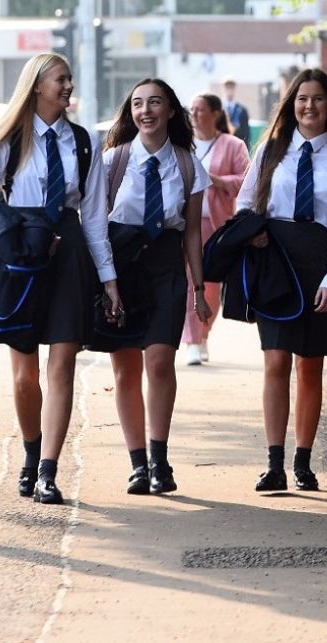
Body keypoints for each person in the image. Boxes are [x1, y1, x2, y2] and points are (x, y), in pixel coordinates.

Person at [0, 53, 122, 505]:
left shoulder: (83, 142)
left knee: (63, 364)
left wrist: (108, 279)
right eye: (61, 79)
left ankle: (48, 473)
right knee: (24, 376)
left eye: (70, 79)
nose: (68, 86)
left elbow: (94, 217)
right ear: (36, 85)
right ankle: (31, 454)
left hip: (68, 252)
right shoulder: (9, 139)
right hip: (20, 258)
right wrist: (16, 239)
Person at [235, 68, 327, 492]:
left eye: (318, 99)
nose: (309, 106)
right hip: (275, 260)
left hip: (317, 261)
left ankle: (303, 461)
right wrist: (251, 231)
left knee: (310, 365)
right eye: (302, 99)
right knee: (276, 360)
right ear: (292, 105)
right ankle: (274, 464)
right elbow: (244, 201)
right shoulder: (271, 151)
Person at [95, 78, 212, 494]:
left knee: (160, 361)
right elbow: (94, 222)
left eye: (155, 102)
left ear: (170, 110)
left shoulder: (187, 164)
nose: (146, 111)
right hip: (121, 267)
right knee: (125, 369)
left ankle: (160, 460)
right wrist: (104, 278)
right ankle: (138, 465)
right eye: (138, 104)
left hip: (165, 267)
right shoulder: (111, 161)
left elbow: (192, 232)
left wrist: (199, 289)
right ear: (131, 113)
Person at [181, 93, 250, 365]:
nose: (195, 114)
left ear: (215, 113)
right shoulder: (182, 143)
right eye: (192, 109)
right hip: (186, 225)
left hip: (217, 225)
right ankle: (192, 341)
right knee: (190, 282)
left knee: (211, 286)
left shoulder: (232, 145)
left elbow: (246, 181)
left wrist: (215, 180)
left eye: (200, 109)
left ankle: (203, 334)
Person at [223, 78, 252, 145]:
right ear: (223, 89)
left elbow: (246, 134)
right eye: (227, 88)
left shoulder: (242, 110)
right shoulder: (219, 109)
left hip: (236, 146)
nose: (229, 91)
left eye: (232, 88)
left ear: (235, 89)